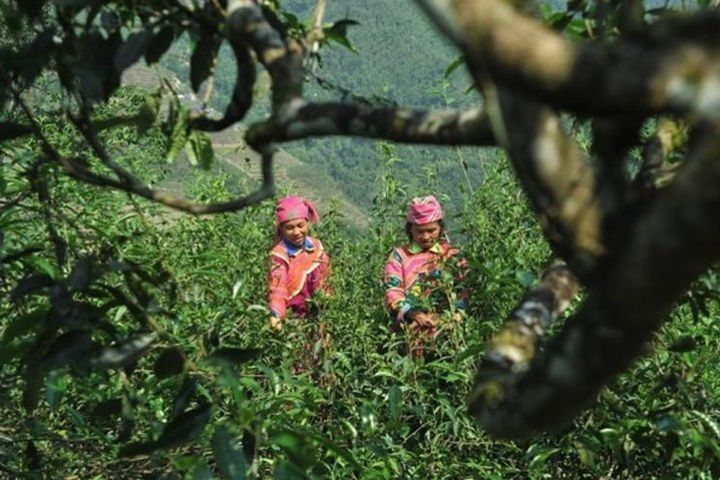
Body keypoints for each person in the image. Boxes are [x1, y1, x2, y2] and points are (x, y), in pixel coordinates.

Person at [383, 195, 467, 358]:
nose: (426, 236)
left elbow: (463, 289)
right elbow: (392, 291)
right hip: (408, 332)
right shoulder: (399, 256)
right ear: (410, 230)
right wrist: (414, 314)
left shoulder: (451, 255)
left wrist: (453, 317)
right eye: (420, 232)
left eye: (431, 230)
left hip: (448, 332)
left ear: (440, 229)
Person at [267, 195, 331, 332]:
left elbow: (327, 279)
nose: (296, 232)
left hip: (318, 318)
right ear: (281, 229)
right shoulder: (279, 255)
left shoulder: (316, 247)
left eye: (300, 225)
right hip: (293, 322)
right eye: (289, 228)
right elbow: (278, 287)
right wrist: (276, 314)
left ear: (307, 223)